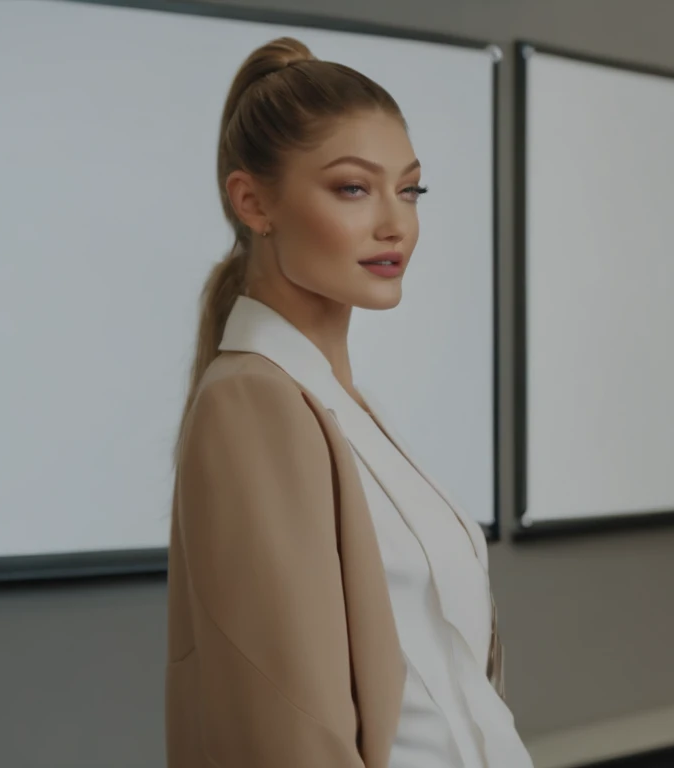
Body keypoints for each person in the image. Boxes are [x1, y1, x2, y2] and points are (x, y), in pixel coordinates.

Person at [164, 37, 533, 768]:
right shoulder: (252, 403)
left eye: (411, 189)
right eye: (353, 188)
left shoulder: (335, 404)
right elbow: (292, 729)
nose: (396, 223)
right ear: (253, 202)